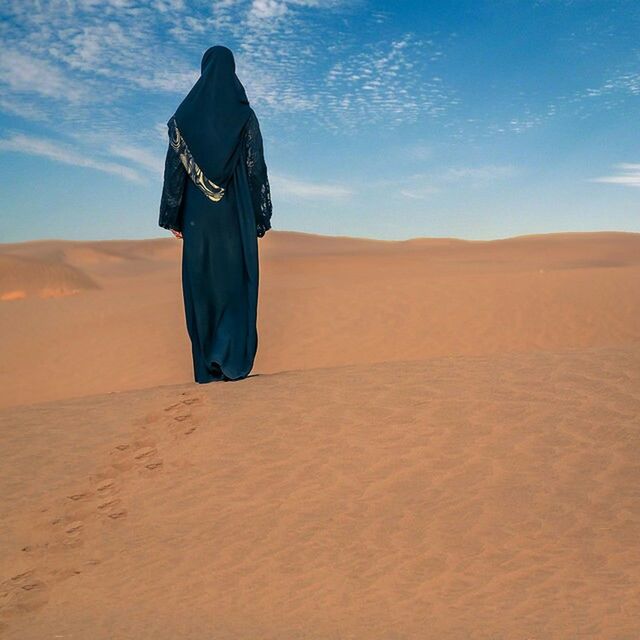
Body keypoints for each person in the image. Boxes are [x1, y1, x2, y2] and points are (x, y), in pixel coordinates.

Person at [158, 45, 272, 383]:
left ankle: (209, 360)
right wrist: (259, 215)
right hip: (235, 214)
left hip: (198, 215)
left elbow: (174, 172)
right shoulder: (243, 115)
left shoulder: (184, 118)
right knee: (236, 283)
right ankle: (230, 357)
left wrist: (173, 216)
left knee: (203, 284)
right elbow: (255, 169)